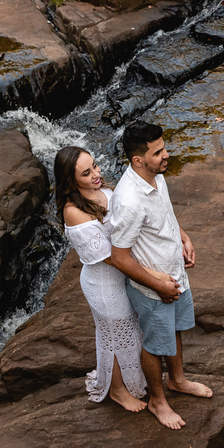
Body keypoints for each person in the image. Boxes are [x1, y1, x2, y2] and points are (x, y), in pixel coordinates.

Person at [108, 121, 212, 430]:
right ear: (137, 160)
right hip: (154, 287)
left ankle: (177, 380)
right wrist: (158, 285)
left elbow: (165, 212)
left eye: (164, 147)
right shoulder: (128, 201)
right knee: (154, 343)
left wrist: (184, 237)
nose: (166, 155)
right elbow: (119, 257)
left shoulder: (155, 176)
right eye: (158, 152)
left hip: (175, 274)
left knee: (175, 329)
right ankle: (157, 400)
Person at [55, 145, 171, 412]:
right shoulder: (73, 211)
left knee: (131, 331)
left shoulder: (105, 192)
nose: (96, 174)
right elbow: (108, 256)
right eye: (86, 173)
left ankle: (130, 382)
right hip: (104, 284)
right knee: (115, 335)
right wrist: (153, 275)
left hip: (124, 276)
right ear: (70, 180)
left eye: (94, 166)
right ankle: (118, 391)